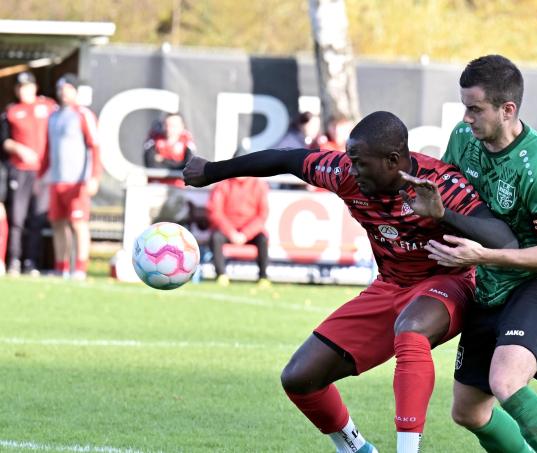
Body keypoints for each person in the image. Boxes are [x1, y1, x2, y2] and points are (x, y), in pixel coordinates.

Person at [183, 110, 518, 453]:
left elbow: (505, 240)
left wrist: (443, 215)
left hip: (448, 283)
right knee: (300, 378)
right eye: (350, 161)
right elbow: (283, 160)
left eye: (360, 163)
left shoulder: (439, 183)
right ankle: (356, 449)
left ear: (392, 160)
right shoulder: (344, 172)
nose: (352, 170)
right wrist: (212, 171)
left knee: (412, 330)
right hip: (389, 286)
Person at [406, 55, 537, 453]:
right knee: (468, 412)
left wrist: (482, 256)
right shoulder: (464, 139)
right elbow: (445, 201)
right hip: (489, 282)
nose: (466, 117)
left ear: (507, 110)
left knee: (505, 381)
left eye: (475, 108)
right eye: (464, 106)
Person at [40, 74, 101, 280]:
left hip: (78, 181)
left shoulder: (83, 115)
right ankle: (61, 266)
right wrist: (42, 175)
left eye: (67, 88)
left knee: (78, 223)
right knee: (58, 223)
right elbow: (48, 149)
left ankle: (80, 267)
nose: (63, 93)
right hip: (56, 179)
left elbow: (95, 147)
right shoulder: (53, 116)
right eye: (60, 89)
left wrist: (93, 177)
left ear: (75, 91)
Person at [1, 71, 57, 275]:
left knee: (37, 218)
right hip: (19, 171)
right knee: (17, 218)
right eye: (20, 87)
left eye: (27, 86)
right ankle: (14, 260)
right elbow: (4, 141)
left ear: (34, 87)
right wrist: (19, 149)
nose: (24, 90)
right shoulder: (12, 112)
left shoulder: (49, 107)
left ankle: (32, 262)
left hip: (42, 172)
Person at [206, 173, 269, 286]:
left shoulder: (258, 185)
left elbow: (262, 215)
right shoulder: (223, 185)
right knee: (215, 237)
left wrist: (246, 234)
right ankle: (221, 274)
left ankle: (263, 276)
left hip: (249, 231)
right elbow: (215, 212)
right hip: (228, 230)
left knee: (263, 239)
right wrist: (231, 232)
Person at [143, 112, 195, 187]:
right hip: (156, 185)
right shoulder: (154, 139)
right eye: (167, 125)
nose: (170, 129)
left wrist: (163, 160)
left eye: (174, 125)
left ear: (182, 126)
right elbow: (151, 164)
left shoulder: (187, 142)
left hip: (178, 187)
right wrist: (177, 163)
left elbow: (188, 168)